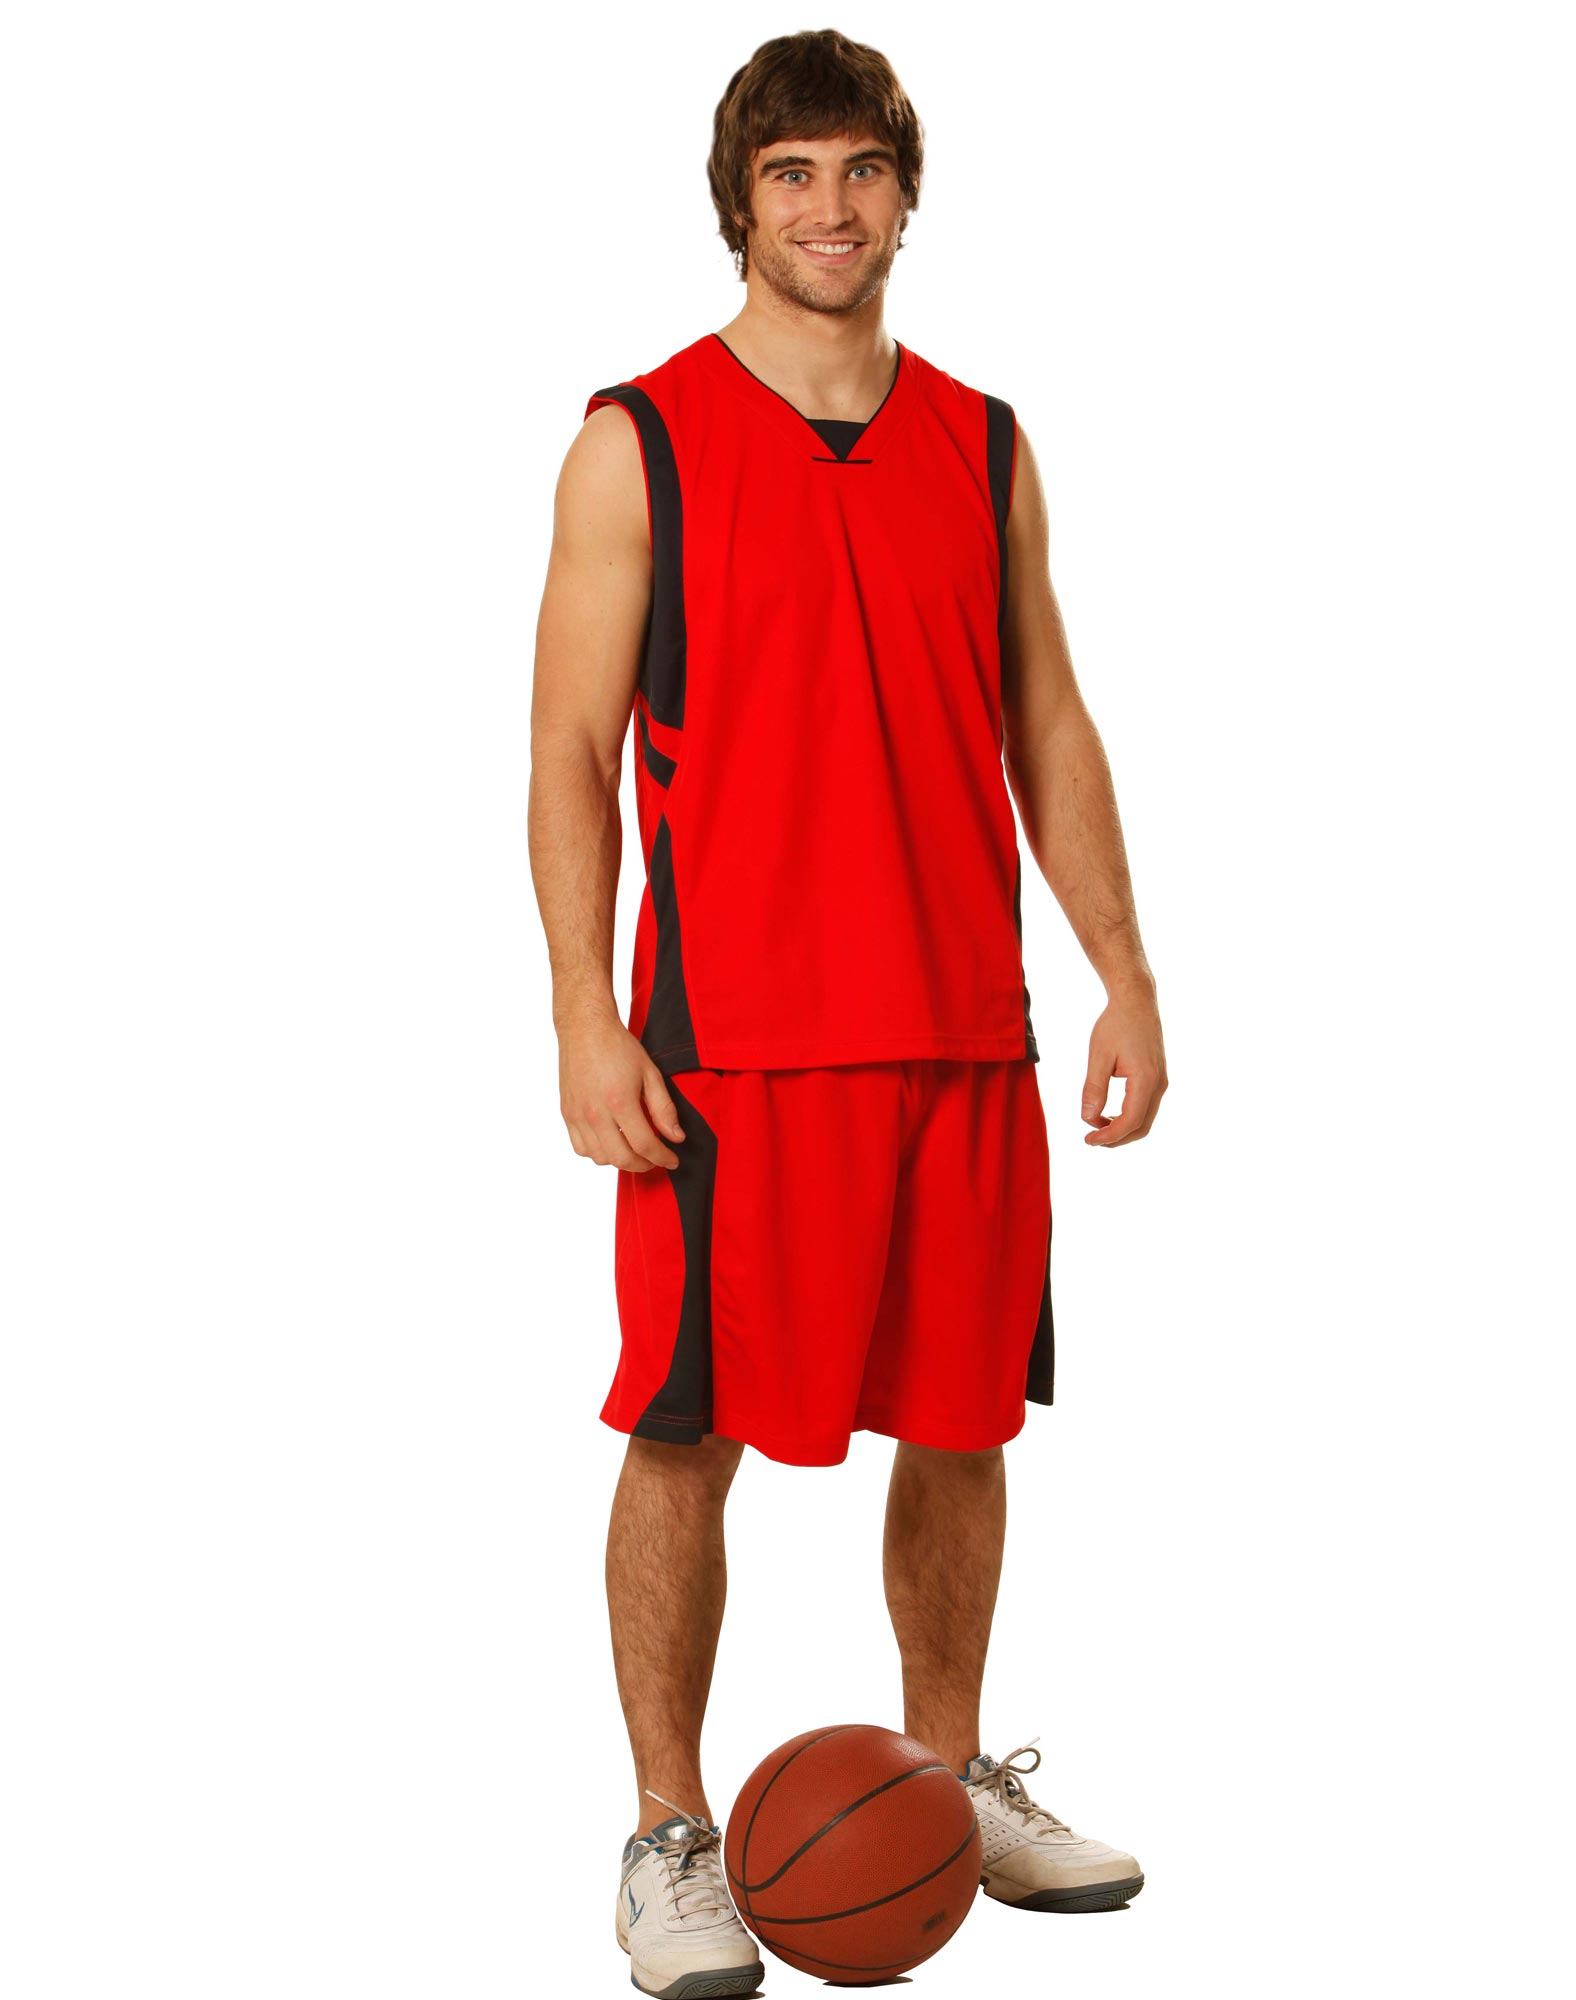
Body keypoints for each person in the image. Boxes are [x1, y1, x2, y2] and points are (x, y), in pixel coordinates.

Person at [529, 28, 1168, 1997]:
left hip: (959, 1031)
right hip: (731, 1048)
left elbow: (1045, 714)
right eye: (790, 172)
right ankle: (667, 1830)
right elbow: (565, 753)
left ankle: (946, 1775)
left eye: (860, 169)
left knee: (964, 1425)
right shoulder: (638, 437)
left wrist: (1123, 969)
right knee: (684, 1429)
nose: (829, 206)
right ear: (739, 202)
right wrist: (582, 1015)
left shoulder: (983, 441)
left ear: (906, 193)